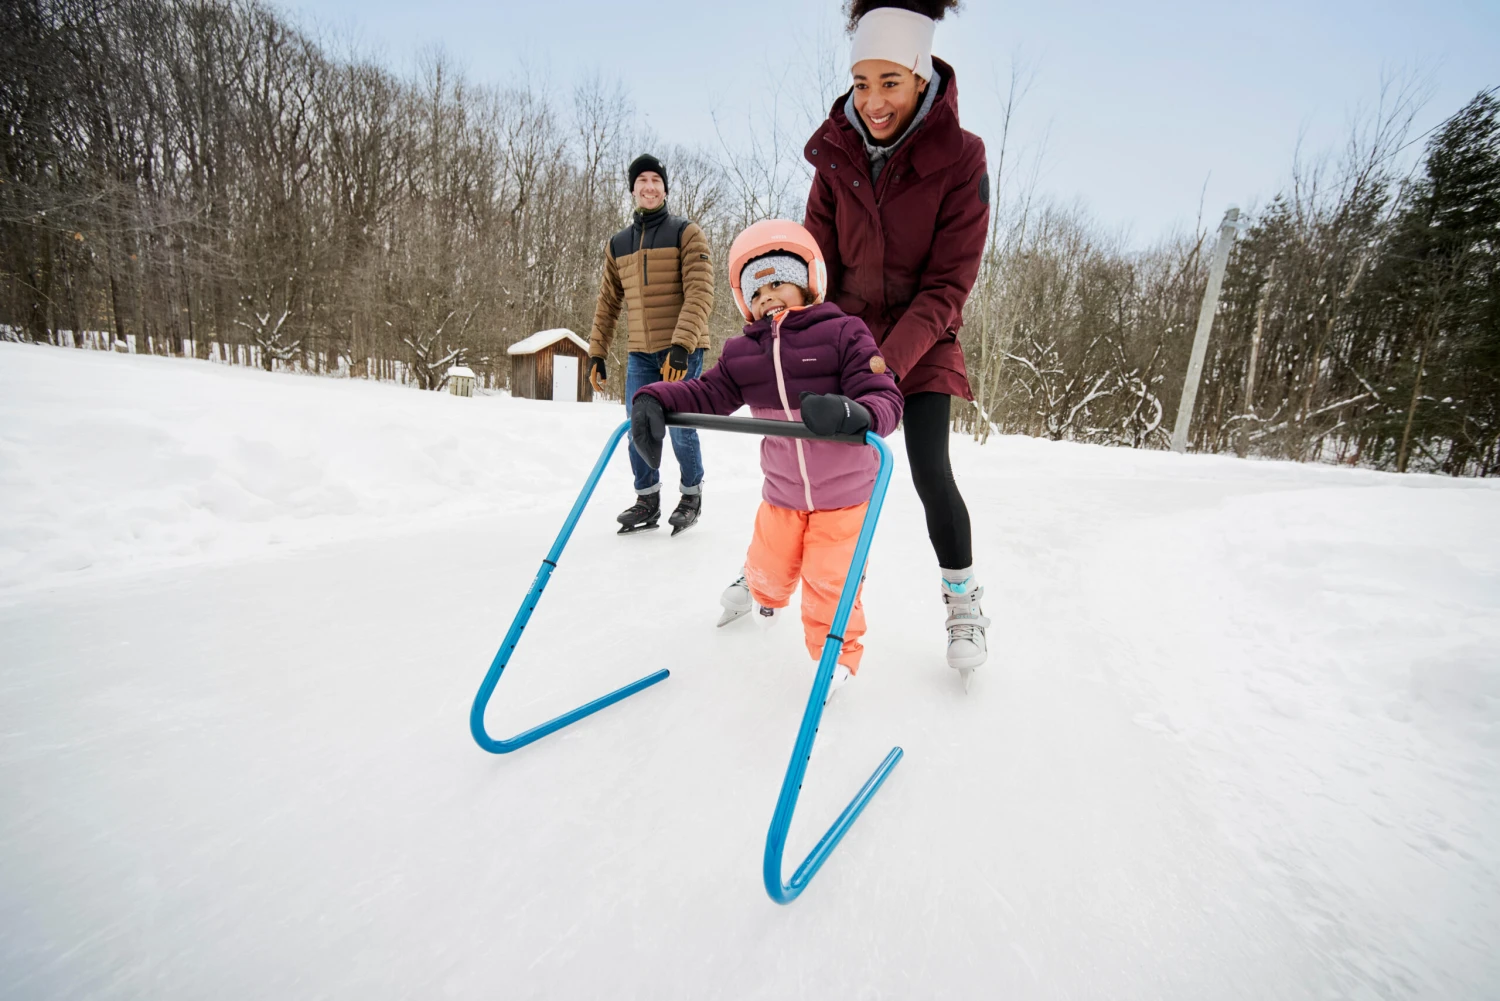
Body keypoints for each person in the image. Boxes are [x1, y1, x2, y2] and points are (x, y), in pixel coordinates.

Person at [630, 220, 903, 697]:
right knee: (770, 569)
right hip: (782, 493)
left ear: (806, 284)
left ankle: (834, 658)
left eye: (779, 282)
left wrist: (854, 412)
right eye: (757, 290)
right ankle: (764, 598)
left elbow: (884, 392)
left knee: (830, 579)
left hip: (845, 496)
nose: (768, 295)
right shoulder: (743, 352)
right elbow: (706, 392)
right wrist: (655, 397)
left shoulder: (844, 333)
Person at [801, 0, 991, 678]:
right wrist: (788, 331)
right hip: (850, 334)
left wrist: (888, 361)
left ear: (920, 77)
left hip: (925, 340)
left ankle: (964, 601)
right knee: (808, 454)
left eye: (890, 83)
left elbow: (947, 287)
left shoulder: (962, 160)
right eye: (861, 83)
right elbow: (813, 264)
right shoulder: (835, 154)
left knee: (928, 470)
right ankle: (771, 564)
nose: (874, 101)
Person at [587, 154, 715, 536]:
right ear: (632, 189)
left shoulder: (685, 232)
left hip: (681, 349)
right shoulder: (618, 244)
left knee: (679, 427)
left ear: (665, 188)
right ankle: (647, 499)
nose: (649, 186)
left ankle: (691, 494)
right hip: (640, 353)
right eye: (641, 180)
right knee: (636, 426)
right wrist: (596, 352)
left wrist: (682, 344)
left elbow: (701, 292)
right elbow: (608, 303)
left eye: (655, 180)